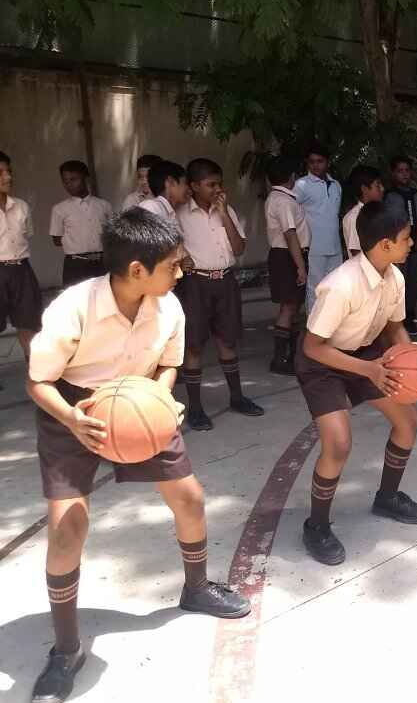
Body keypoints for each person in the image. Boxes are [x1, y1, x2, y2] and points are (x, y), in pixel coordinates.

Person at [26, 208, 249, 702]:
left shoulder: (169, 307)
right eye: (173, 264)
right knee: (68, 527)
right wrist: (72, 419)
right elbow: (39, 381)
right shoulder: (73, 307)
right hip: (74, 405)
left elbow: (168, 367)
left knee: (189, 498)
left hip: (138, 401)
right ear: (136, 271)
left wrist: (163, 399)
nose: (181, 271)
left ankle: (195, 589)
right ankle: (66, 649)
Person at [295, 201, 417, 565]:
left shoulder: (395, 278)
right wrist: (368, 369)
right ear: (385, 244)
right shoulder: (340, 286)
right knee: (338, 444)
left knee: (408, 420)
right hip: (323, 363)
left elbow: (394, 327)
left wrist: (415, 364)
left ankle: (387, 497)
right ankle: (317, 525)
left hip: (365, 355)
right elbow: (313, 346)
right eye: (406, 239)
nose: (411, 244)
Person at [175, 158, 263, 431]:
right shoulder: (179, 214)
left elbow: (238, 249)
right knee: (193, 345)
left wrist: (224, 213)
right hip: (195, 283)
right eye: (210, 184)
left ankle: (237, 397)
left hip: (225, 281)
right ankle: (196, 408)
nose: (217, 189)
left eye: (219, 183)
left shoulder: (227, 211)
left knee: (228, 340)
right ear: (193, 186)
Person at [264, 155, 310, 375]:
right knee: (289, 307)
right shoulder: (282, 201)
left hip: (287, 255)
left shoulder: (279, 198)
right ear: (292, 177)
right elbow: (290, 234)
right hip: (287, 256)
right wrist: (300, 266)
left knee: (292, 306)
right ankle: (280, 359)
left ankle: (290, 356)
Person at [0, 150, 42, 376]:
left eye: (9, 171)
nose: (7, 177)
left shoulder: (22, 207)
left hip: (21, 269)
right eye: (0, 173)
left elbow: (28, 234)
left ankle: (36, 370)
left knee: (29, 321)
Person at [295, 143, 344, 312]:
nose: (316, 165)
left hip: (335, 246)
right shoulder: (302, 185)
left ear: (327, 162)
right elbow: (293, 213)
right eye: (312, 162)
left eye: (320, 161)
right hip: (314, 247)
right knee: (315, 288)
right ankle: (313, 330)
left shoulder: (336, 185)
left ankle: (332, 327)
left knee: (335, 288)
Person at [50, 160, 113, 288]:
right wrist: (76, 243)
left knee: (102, 298)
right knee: (76, 304)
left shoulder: (103, 205)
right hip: (75, 265)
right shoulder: (59, 209)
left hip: (101, 263)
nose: (69, 185)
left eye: (73, 179)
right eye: (65, 181)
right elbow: (56, 239)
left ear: (86, 179)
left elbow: (112, 232)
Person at [384, 155, 417, 335]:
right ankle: (395, 320)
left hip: (415, 248)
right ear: (393, 173)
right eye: (400, 171)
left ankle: (410, 317)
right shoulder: (389, 196)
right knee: (398, 284)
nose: (404, 175)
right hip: (397, 249)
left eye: (407, 170)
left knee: (413, 284)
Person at [341, 165, 385, 257]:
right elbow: (357, 254)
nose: (382, 189)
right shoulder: (354, 217)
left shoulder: (379, 212)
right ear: (364, 189)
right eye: (377, 185)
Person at [138, 160, 188, 231]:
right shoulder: (150, 207)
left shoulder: (171, 213)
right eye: (185, 183)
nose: (189, 189)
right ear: (170, 182)